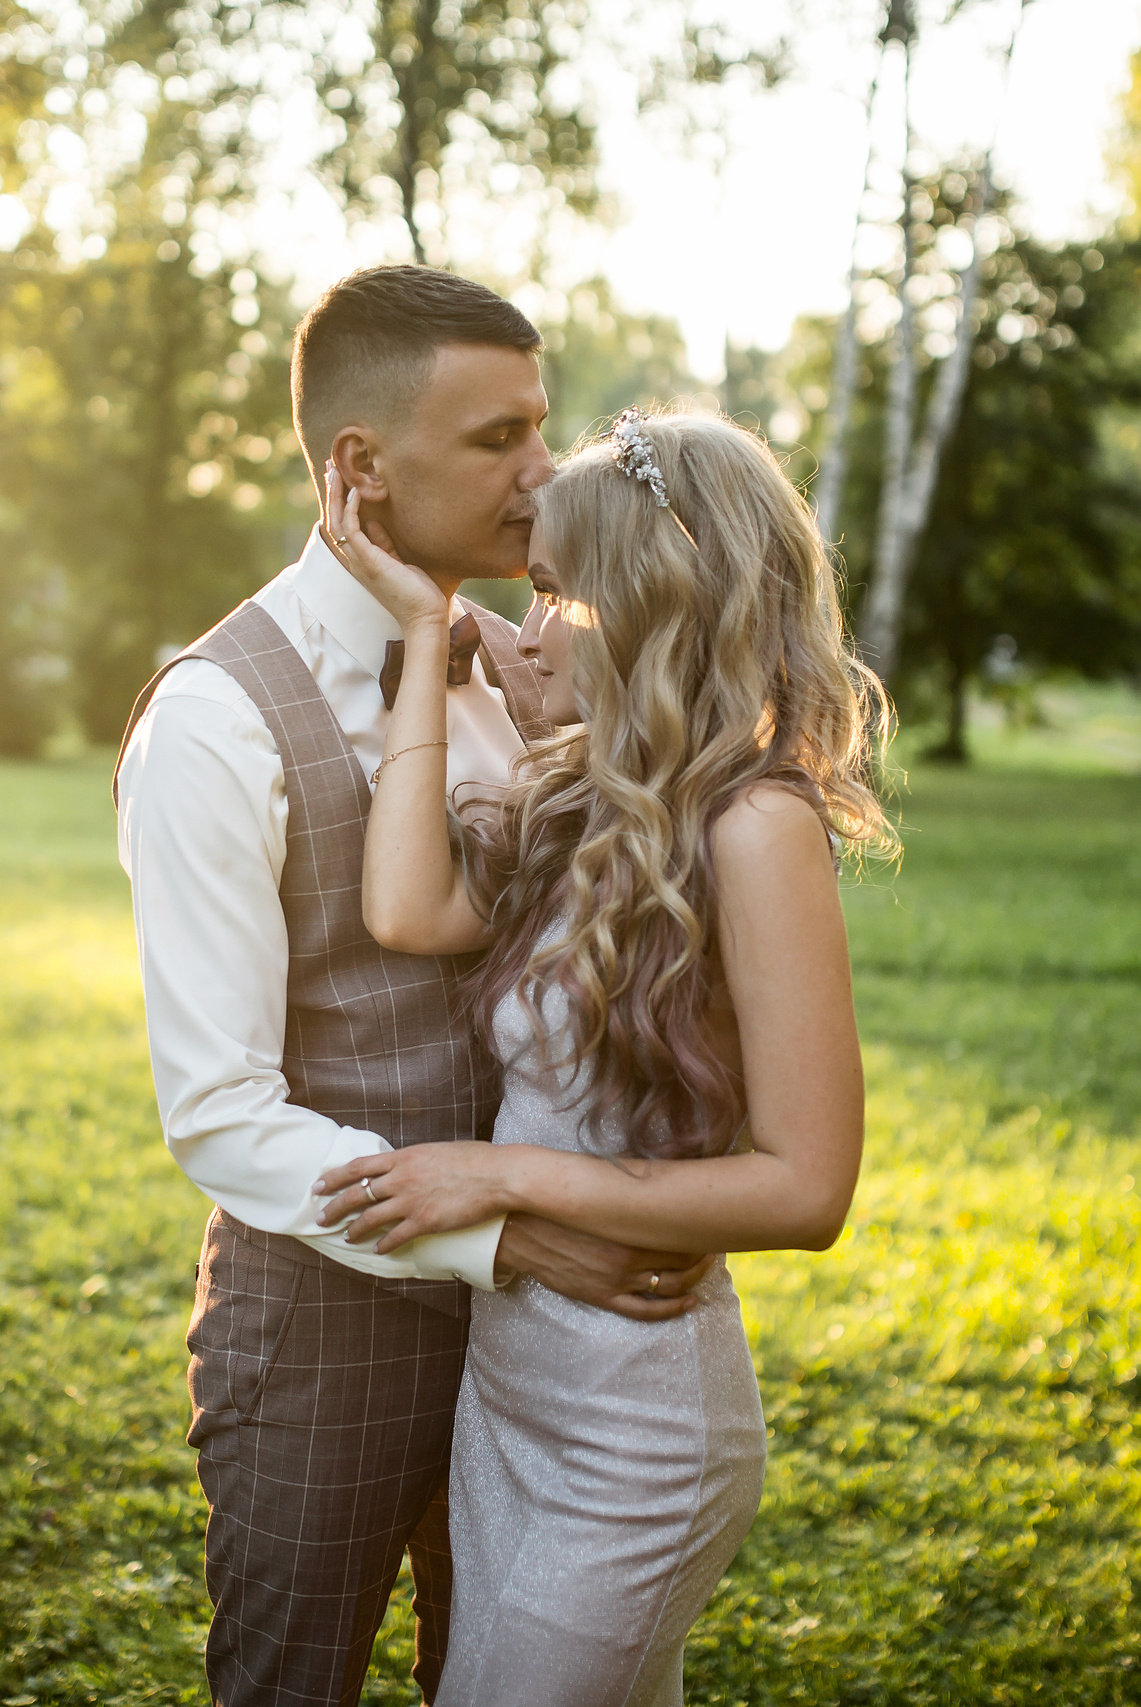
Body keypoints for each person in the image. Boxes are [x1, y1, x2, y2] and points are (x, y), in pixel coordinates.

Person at [113, 267, 716, 1707]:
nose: (543, 472)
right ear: (361, 467)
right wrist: (511, 1240)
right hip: (326, 1338)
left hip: (555, 1352)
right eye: (498, 438)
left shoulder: (525, 674)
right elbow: (220, 1114)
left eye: (542, 427)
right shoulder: (214, 721)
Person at [311, 405, 895, 1705]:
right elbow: (407, 908)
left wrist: (500, 1176)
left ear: (649, 601)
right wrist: (425, 639)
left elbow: (808, 1190)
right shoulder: (588, 803)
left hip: (640, 1430)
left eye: (556, 596)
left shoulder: (756, 827)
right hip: (510, 1399)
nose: (523, 634)